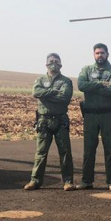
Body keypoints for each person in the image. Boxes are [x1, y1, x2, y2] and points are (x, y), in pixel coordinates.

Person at [24, 53, 75, 191]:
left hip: (60, 121)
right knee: (41, 152)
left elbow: (64, 97)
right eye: (51, 61)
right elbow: (36, 92)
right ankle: (35, 180)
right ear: (46, 64)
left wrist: (46, 95)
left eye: (56, 61)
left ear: (61, 64)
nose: (54, 63)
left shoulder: (66, 81)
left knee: (65, 152)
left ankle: (68, 181)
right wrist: (53, 91)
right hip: (43, 121)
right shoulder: (39, 80)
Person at [77, 43, 111, 191]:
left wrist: (93, 86)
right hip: (90, 115)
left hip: (109, 114)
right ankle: (86, 181)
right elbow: (81, 85)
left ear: (107, 54)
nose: (99, 55)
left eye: (102, 53)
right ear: (93, 55)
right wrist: (102, 84)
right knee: (88, 150)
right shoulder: (86, 70)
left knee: (110, 149)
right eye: (97, 53)